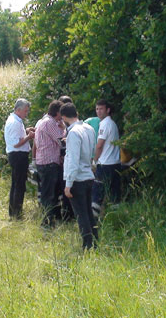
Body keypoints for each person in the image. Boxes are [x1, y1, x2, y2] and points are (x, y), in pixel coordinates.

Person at [61, 103, 98, 250]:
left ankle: (87, 245)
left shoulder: (73, 133)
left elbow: (73, 159)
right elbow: (92, 151)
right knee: (88, 212)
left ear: (64, 117)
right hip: (89, 175)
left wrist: (68, 184)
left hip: (78, 178)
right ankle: (95, 240)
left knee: (81, 214)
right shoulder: (88, 128)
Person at [34, 100, 66, 228]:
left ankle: (51, 219)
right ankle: (46, 222)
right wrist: (66, 130)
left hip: (44, 162)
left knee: (49, 192)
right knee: (48, 194)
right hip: (49, 163)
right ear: (57, 112)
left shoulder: (43, 121)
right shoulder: (50, 123)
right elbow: (61, 141)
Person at [4, 98, 35, 220]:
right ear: (18, 110)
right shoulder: (14, 122)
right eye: (25, 111)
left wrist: (26, 132)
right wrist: (29, 137)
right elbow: (16, 143)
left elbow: (17, 137)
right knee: (19, 185)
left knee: (16, 184)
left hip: (17, 155)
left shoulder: (16, 120)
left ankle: (14, 211)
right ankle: (17, 213)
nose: (26, 114)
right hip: (17, 156)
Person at [92, 99, 122, 220]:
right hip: (115, 163)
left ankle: (93, 221)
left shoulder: (104, 124)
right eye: (97, 109)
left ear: (108, 110)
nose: (98, 111)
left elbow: (99, 145)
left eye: (101, 109)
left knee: (97, 193)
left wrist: (94, 160)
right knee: (115, 194)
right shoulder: (113, 124)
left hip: (105, 164)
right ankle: (117, 219)